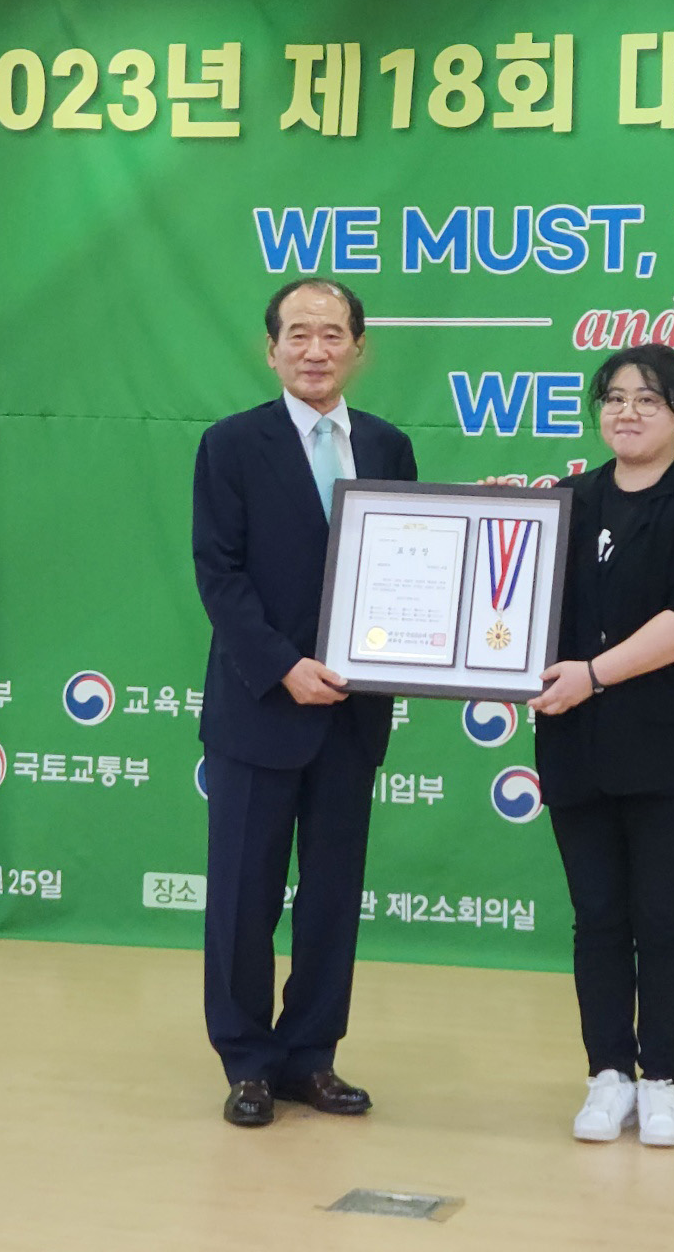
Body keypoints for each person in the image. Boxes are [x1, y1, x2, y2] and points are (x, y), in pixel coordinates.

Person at [192, 281, 417, 1128]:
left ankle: (311, 1057)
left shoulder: (388, 446)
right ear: (271, 349)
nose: (315, 350)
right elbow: (219, 573)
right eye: (298, 334)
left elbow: (408, 566)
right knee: (242, 897)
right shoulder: (230, 444)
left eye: (332, 334)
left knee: (331, 897)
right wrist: (284, 667)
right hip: (260, 706)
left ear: (359, 347)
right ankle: (248, 1063)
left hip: (352, 715)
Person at [528, 344, 674, 1149]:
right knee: (596, 916)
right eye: (614, 398)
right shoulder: (566, 502)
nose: (627, 412)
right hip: (576, 744)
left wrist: (592, 674)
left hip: (669, 748)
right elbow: (517, 605)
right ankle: (607, 1075)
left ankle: (662, 1081)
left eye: (649, 400)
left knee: (662, 916)